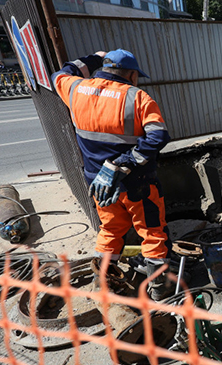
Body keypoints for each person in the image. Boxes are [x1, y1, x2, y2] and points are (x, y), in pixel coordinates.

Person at [51, 48, 173, 300]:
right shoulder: (137, 97)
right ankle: (161, 290)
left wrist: (95, 57)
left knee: (110, 230)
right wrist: (124, 162)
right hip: (136, 183)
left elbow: (60, 74)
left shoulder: (75, 90)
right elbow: (158, 136)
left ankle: (103, 283)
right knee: (152, 232)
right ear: (130, 74)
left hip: (100, 185)